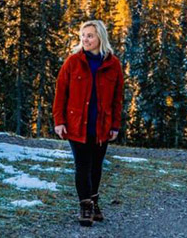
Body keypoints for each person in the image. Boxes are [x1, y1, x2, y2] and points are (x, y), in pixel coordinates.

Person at [53, 20, 124, 227]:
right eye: (83, 35)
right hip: (77, 125)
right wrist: (59, 121)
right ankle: (85, 206)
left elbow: (117, 98)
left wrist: (115, 125)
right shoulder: (72, 62)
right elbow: (60, 94)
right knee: (82, 166)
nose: (85, 39)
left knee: (96, 167)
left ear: (100, 37)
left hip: (101, 125)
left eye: (90, 35)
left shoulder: (113, 64)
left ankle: (94, 202)